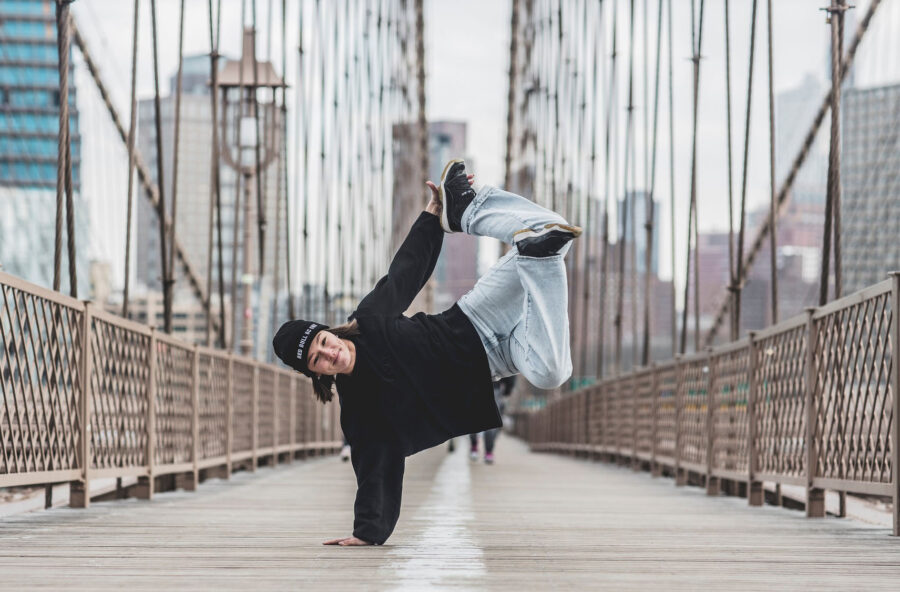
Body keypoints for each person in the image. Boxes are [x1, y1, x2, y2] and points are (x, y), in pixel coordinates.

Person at [272, 159, 579, 546]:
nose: (329, 353)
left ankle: (468, 208)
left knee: (551, 229)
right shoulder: (361, 413)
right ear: (317, 373)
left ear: (327, 332)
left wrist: (433, 217)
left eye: (322, 341)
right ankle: (538, 259)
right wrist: (367, 533)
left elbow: (406, 272)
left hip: (478, 316)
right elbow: (375, 469)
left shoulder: (369, 320)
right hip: (499, 362)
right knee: (551, 372)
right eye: (318, 359)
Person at [469, 376, 516, 464]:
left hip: (474, 384)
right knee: (491, 419)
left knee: (474, 416)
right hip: (494, 386)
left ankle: (474, 446)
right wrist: (508, 389)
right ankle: (488, 452)